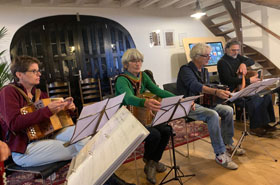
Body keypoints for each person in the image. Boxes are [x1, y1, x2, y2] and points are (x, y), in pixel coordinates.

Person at [0, 56, 134, 185]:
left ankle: (104, 181)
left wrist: (69, 109)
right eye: (34, 71)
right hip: (24, 149)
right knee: (83, 150)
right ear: (19, 74)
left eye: (38, 70)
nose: (39, 74)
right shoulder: (8, 92)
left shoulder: (39, 94)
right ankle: (110, 182)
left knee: (85, 138)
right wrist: (47, 111)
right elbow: (14, 123)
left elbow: (54, 120)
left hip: (47, 136)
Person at [177, 43, 245, 170]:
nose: (210, 58)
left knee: (228, 110)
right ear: (196, 56)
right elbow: (194, 86)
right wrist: (215, 92)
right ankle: (220, 153)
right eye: (206, 56)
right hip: (187, 105)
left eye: (209, 55)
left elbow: (206, 89)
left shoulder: (204, 70)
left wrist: (223, 92)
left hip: (202, 103)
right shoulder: (185, 69)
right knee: (212, 114)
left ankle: (228, 143)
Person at [115, 48, 174, 184]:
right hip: (127, 119)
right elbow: (129, 98)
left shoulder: (143, 76)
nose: (138, 63)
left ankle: (152, 162)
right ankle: (150, 162)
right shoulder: (121, 80)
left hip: (142, 117)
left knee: (166, 130)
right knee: (154, 134)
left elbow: (157, 90)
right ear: (126, 64)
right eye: (134, 61)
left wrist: (178, 98)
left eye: (140, 60)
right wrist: (145, 102)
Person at [217, 39, 276, 136]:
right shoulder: (222, 62)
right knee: (255, 98)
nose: (236, 52)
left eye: (237, 50)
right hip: (232, 91)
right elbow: (228, 80)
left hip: (242, 87)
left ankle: (265, 123)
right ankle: (255, 127)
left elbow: (251, 60)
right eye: (233, 50)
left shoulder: (238, 57)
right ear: (226, 49)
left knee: (266, 94)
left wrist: (243, 63)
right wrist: (249, 81)